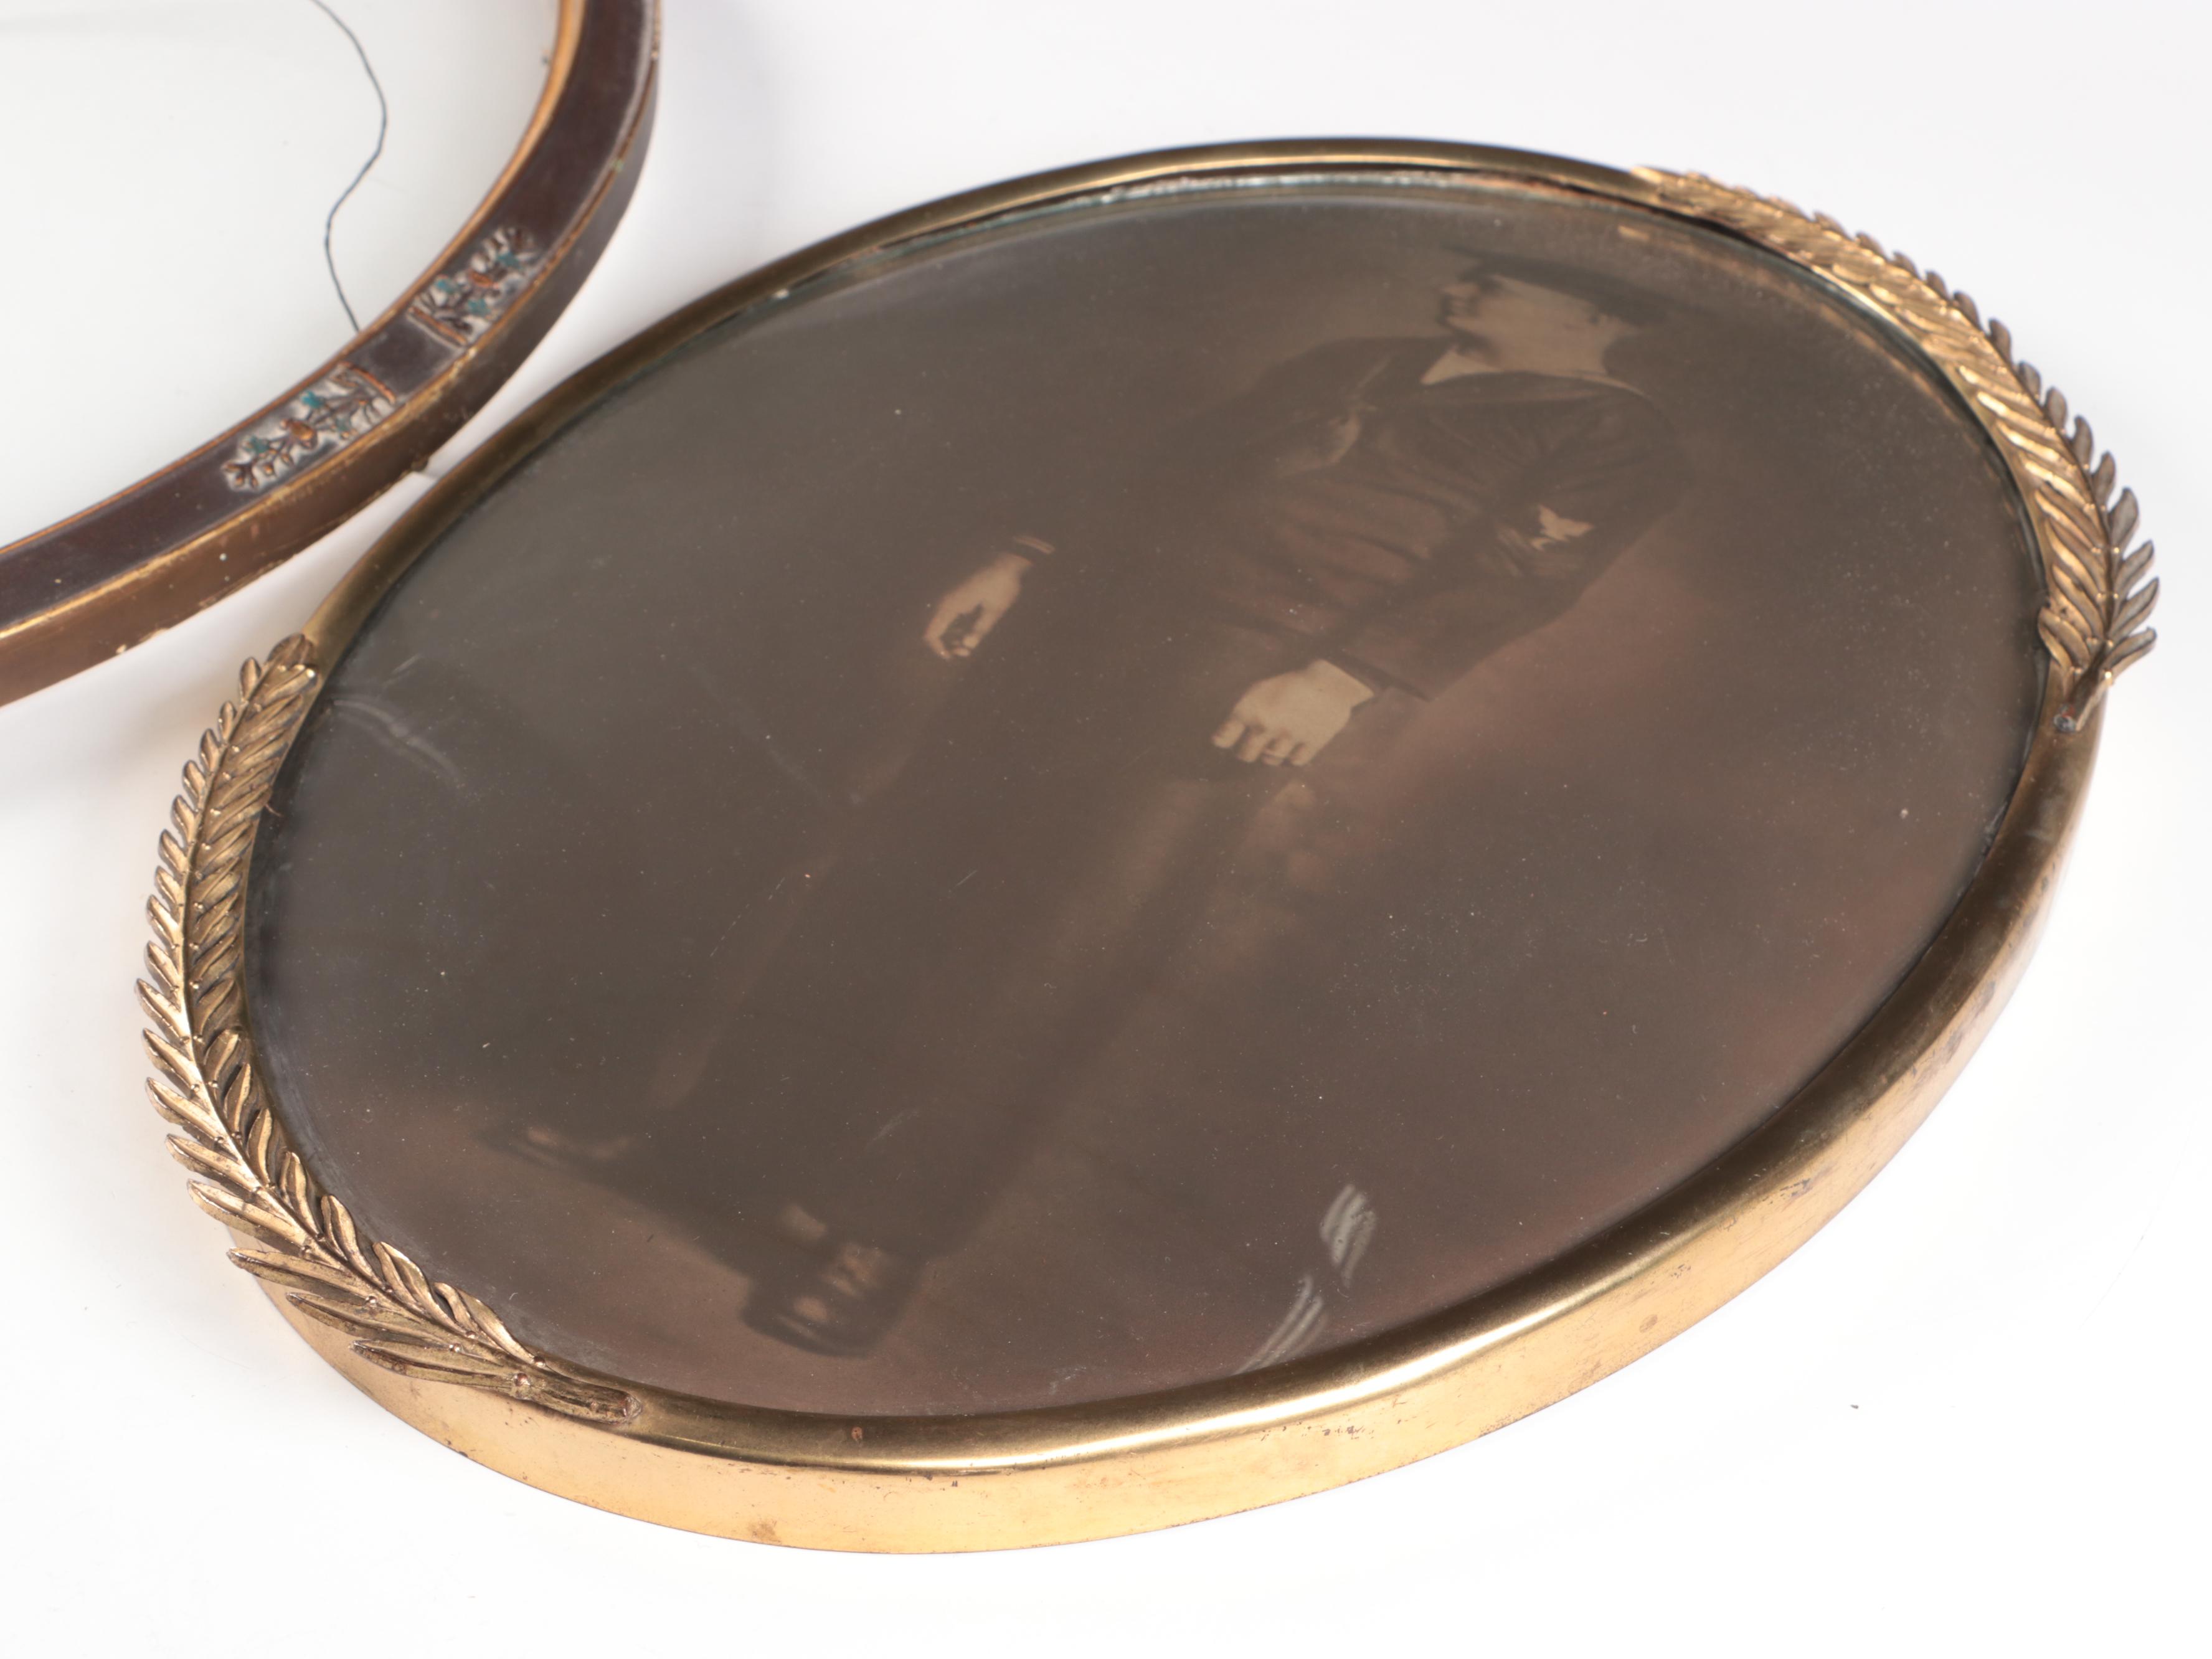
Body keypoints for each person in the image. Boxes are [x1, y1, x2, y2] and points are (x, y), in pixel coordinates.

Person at [654, 252, 1691, 1357]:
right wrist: (1024, 555)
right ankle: (715, 1155)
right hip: (1086, 621)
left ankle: (879, 1243)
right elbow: (1173, 460)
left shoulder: (1613, 438)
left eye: (1506, 279)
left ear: (1594, 314)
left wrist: (1338, 679)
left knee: (1053, 954)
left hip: (1242, 678)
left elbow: (1515, 576)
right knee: (899, 874)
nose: (1467, 282)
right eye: (1475, 267)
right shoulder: (1360, 361)